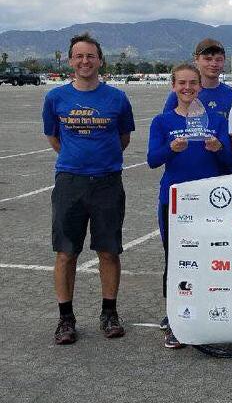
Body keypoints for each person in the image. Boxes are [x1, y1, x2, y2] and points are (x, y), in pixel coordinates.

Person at [42, 33, 135, 345]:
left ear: (99, 60)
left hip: (107, 181)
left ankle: (109, 313)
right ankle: (65, 318)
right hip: (70, 181)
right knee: (66, 252)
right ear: (71, 61)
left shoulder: (117, 99)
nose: (85, 61)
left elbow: (123, 139)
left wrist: (99, 161)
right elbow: (54, 139)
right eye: (79, 56)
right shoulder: (55, 98)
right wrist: (76, 161)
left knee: (108, 250)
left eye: (90, 56)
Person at [147, 64, 232, 348]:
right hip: (174, 201)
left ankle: (213, 314)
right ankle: (174, 318)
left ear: (199, 86)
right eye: (182, 83)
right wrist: (169, 149)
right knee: (176, 260)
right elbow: (152, 160)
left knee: (212, 259)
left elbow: (229, 163)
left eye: (192, 83)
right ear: (173, 86)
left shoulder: (216, 121)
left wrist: (218, 148)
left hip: (210, 203)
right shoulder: (162, 121)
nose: (187, 88)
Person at [163, 38, 232, 124]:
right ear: (196, 59)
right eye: (208, 59)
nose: (213, 64)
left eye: (218, 60)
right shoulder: (181, 95)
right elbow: (165, 127)